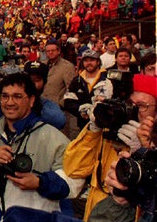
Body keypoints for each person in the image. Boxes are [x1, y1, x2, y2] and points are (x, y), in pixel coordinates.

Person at [0, 73, 83, 222]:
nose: (9, 102)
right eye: (5, 96)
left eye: (17, 96)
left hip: (39, 217)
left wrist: (40, 182)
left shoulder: (53, 138)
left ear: (31, 100)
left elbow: (74, 182)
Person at [64, 74, 157, 222]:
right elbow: (73, 169)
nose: (133, 110)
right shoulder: (108, 128)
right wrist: (93, 129)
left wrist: (143, 153)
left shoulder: (152, 146)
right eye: (130, 104)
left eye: (141, 106)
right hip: (98, 212)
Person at [63, 49, 113, 130]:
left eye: (92, 60)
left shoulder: (108, 78)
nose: (89, 63)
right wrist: (81, 109)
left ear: (98, 62)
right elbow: (68, 101)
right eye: (86, 61)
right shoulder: (77, 80)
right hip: (84, 124)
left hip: (105, 126)